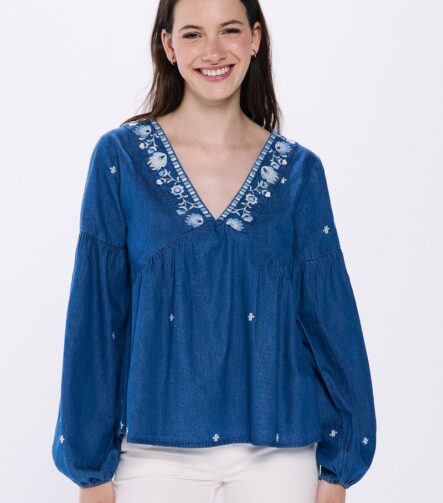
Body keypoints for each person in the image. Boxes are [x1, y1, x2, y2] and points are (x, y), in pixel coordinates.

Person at [51, 0, 377, 502]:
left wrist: (339, 470)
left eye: (229, 30)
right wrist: (90, 473)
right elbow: (96, 318)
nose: (213, 51)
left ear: (255, 38)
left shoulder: (299, 173)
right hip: (153, 455)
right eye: (193, 34)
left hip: (280, 453)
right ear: (168, 45)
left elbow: (332, 325)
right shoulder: (121, 160)